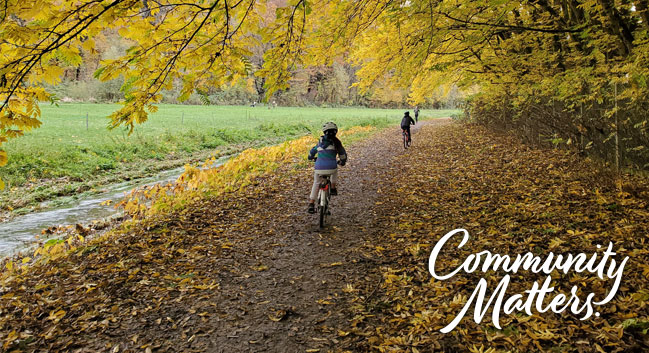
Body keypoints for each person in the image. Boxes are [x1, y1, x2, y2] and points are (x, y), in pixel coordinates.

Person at [307, 122, 347, 214]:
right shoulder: (337, 143)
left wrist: (311, 158)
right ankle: (333, 188)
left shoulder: (320, 143)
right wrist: (342, 162)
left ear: (324, 132)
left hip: (319, 167)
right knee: (334, 170)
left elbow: (311, 153)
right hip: (331, 167)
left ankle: (311, 204)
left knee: (316, 182)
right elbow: (343, 155)